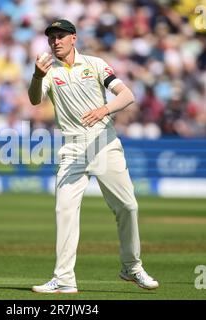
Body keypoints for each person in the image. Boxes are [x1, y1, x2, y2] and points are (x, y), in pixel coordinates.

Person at [28, 19, 159, 293]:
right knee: (65, 211)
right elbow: (34, 100)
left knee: (128, 207)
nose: (56, 42)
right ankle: (64, 279)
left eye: (61, 36)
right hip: (72, 147)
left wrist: (104, 110)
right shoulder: (49, 72)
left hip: (104, 142)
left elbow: (128, 95)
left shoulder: (95, 64)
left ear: (74, 38)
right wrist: (37, 76)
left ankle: (131, 268)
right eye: (52, 38)